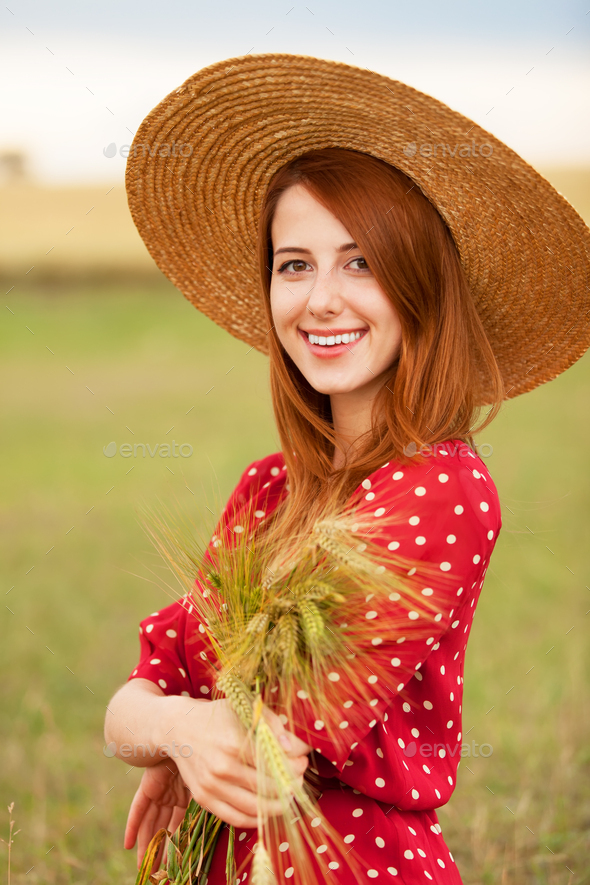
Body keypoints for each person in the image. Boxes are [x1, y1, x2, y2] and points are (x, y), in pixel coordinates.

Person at [106, 54, 590, 884]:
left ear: (421, 287)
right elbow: (145, 690)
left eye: (360, 261)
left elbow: (276, 729)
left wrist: (174, 726)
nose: (321, 298)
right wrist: (177, 728)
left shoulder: (446, 489)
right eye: (295, 263)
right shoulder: (267, 489)